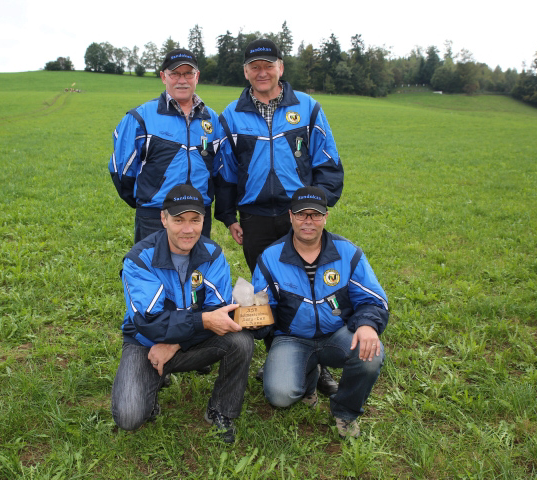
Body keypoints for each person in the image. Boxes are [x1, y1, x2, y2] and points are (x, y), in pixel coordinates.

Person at [215, 38, 344, 395]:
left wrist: (317, 208)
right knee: (267, 293)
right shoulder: (231, 115)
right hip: (254, 217)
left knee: (308, 288)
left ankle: (317, 367)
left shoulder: (307, 108)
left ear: (280, 68)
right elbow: (225, 172)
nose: (262, 72)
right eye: (254, 67)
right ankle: (281, 357)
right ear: (246, 72)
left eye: (268, 65)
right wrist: (228, 216)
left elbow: (328, 162)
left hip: (297, 216)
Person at [110, 185, 253, 443]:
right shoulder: (139, 260)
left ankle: (221, 410)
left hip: (189, 341)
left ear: (203, 221)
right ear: (163, 219)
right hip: (147, 344)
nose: (188, 229)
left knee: (240, 341)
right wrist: (201, 321)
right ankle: (152, 386)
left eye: (195, 220)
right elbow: (149, 323)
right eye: (179, 220)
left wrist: (176, 344)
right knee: (129, 417)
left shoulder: (213, 255)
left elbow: (218, 314)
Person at [252, 187, 388, 438]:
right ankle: (308, 378)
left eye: (315, 215)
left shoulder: (348, 252)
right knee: (280, 395)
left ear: (326, 217)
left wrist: (367, 324)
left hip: (338, 334)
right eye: (301, 215)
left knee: (371, 353)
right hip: (291, 338)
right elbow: (263, 306)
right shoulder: (270, 257)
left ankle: (345, 411)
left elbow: (373, 299)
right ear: (290, 216)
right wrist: (255, 321)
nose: (308, 221)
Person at [109, 48, 221, 243]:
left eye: (188, 73)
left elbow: (220, 167)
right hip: (155, 217)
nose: (182, 80)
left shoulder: (212, 119)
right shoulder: (140, 117)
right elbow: (122, 171)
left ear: (197, 77)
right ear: (163, 77)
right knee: (152, 263)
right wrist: (149, 200)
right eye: (175, 74)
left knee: (198, 264)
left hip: (198, 216)